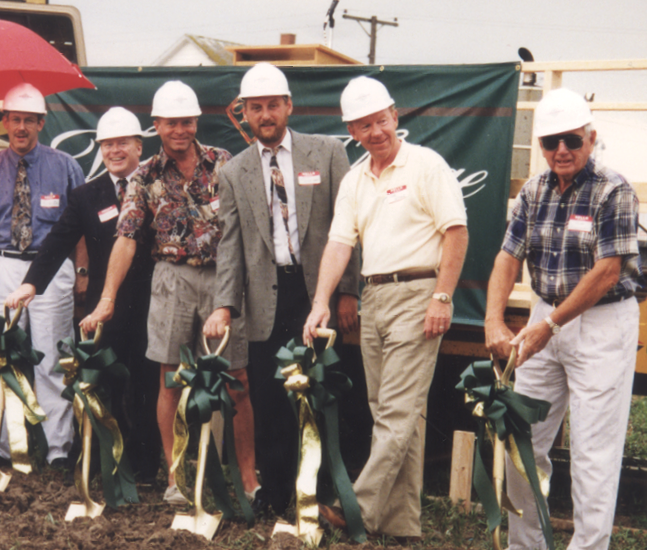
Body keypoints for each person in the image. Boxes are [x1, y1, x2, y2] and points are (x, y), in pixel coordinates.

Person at [303, 76, 468, 539]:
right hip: (374, 296)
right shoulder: (356, 178)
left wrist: (442, 295)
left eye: (381, 121)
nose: (375, 131)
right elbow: (339, 243)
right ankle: (402, 524)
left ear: (395, 116)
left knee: (395, 412)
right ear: (351, 131)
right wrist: (321, 302)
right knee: (395, 412)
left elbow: (456, 232)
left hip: (419, 294)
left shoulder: (426, 165)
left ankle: (358, 508)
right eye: (363, 125)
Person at [80, 81, 260, 505]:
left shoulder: (224, 163)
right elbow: (125, 238)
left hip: (222, 277)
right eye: (170, 123)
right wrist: (107, 297)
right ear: (156, 126)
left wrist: (233, 292)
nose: (179, 130)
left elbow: (244, 226)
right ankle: (176, 477)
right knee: (170, 381)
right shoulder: (144, 177)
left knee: (238, 381)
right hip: (171, 279)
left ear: (195, 122)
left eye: (186, 121)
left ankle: (248, 478)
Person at [485, 88, 640, 550]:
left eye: (571, 140)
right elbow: (507, 259)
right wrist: (494, 319)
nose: (561, 151)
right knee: (521, 440)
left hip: (601, 323)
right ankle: (525, 545)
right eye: (551, 142)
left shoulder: (614, 190)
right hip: (545, 318)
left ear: (591, 138)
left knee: (594, 454)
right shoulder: (533, 191)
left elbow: (608, 270)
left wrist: (549, 326)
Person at [203, 63, 361, 514]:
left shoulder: (328, 153)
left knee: (324, 393)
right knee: (271, 400)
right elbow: (230, 246)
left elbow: (349, 228)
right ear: (245, 114)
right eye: (256, 108)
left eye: (273, 105)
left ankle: (324, 493)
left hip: (318, 296)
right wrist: (225, 306)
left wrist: (346, 292)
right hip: (264, 301)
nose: (266, 114)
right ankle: (276, 494)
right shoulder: (234, 173)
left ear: (289, 106)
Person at [4, 106, 160, 479]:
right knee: (103, 384)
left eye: (123, 143)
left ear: (139, 146)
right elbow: (58, 241)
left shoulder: (158, 186)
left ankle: (146, 466)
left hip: (152, 305)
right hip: (101, 312)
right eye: (107, 144)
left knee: (146, 386)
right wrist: (31, 283)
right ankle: (106, 461)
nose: (115, 151)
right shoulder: (87, 195)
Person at [0, 83, 86, 467]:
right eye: (15, 119)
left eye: (29, 120)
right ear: (4, 122)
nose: (21, 127)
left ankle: (58, 451)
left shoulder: (65, 166)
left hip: (52, 268)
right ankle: (1, 447)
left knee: (52, 359)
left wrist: (83, 271)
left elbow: (81, 225)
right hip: (4, 266)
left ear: (42, 123)